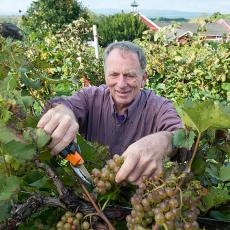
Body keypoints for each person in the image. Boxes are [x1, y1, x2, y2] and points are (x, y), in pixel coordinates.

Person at [37, 41, 183, 185]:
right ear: (105, 75)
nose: (121, 84)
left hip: (138, 198)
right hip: (93, 193)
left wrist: (165, 141)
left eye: (130, 76)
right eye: (114, 75)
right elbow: (65, 104)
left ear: (143, 78)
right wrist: (62, 111)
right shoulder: (90, 98)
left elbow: (181, 135)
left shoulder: (159, 106)